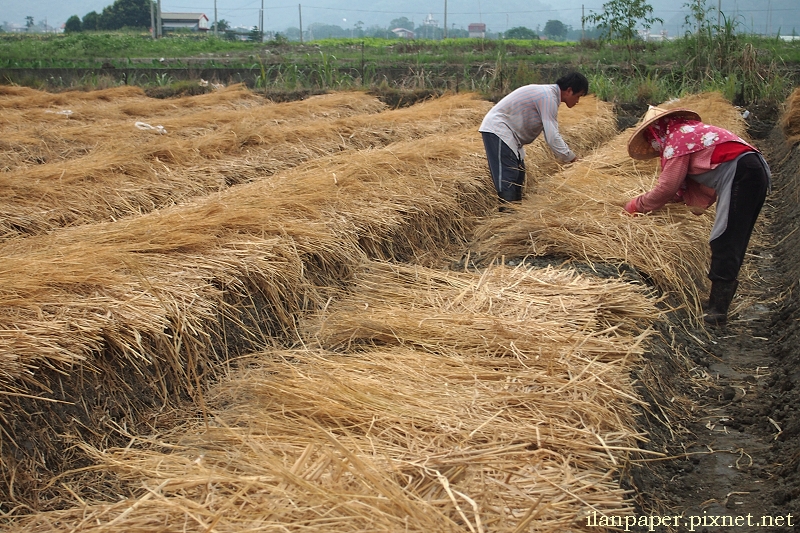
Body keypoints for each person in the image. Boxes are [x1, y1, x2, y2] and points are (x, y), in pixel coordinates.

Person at [623, 106, 771, 326]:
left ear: (656, 131)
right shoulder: (688, 133)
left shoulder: (677, 140)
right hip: (752, 170)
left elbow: (667, 188)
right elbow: (688, 179)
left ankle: (717, 311)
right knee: (733, 236)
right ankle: (717, 301)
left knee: (725, 238)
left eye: (650, 139)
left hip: (742, 173)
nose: (653, 146)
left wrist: (637, 204)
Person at [479, 72, 589, 205]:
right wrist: (571, 158)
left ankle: (513, 216)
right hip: (498, 130)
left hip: (511, 137)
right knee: (508, 178)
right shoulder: (548, 97)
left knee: (518, 175)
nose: (577, 101)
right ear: (569, 90)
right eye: (578, 96)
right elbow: (552, 136)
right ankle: (507, 217)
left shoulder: (550, 96)